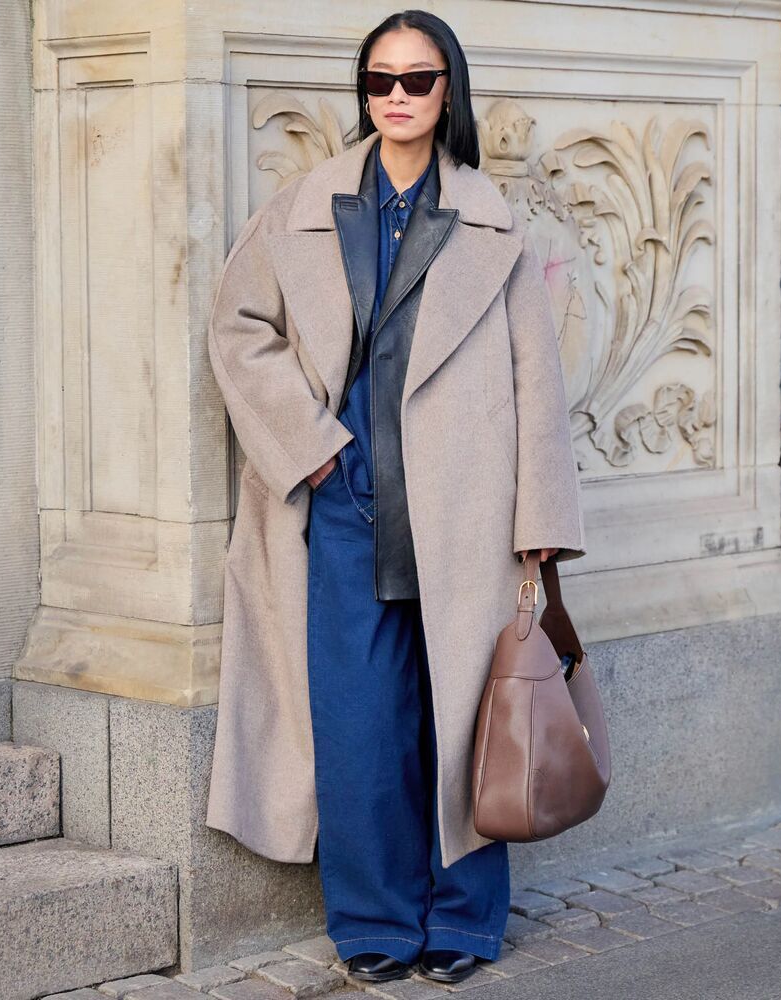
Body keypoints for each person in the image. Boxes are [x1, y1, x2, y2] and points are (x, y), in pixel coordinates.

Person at [204, 7, 587, 987]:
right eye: (381, 80)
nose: (399, 98)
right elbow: (237, 327)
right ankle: (372, 921)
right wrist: (311, 447)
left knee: (468, 720)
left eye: (418, 80)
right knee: (361, 729)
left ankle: (463, 922)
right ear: (364, 91)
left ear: (447, 90)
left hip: (466, 514)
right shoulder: (303, 207)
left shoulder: (490, 218)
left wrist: (538, 524)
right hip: (340, 509)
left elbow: (536, 385)